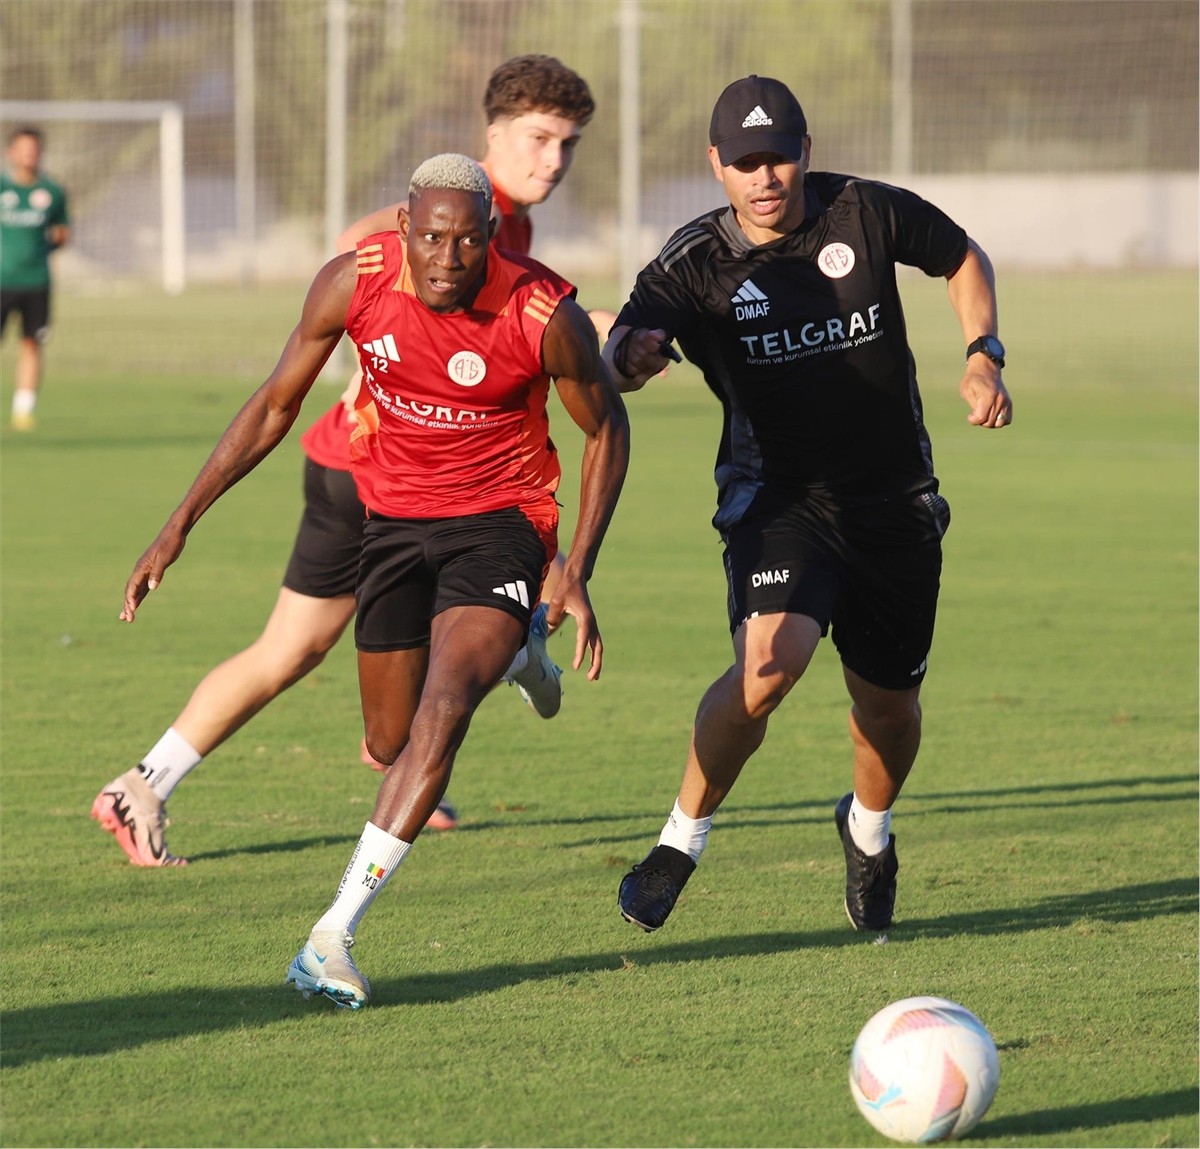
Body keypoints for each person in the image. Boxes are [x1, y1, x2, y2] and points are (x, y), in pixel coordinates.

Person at [118, 154, 629, 1010]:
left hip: (500, 523)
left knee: (445, 704)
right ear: (403, 226)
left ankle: (332, 934)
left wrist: (573, 564)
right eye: (431, 237)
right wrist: (179, 522)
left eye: (468, 242)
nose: (447, 259)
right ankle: (516, 652)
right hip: (389, 525)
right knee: (391, 740)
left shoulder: (544, 312)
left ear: (491, 239)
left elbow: (606, 429)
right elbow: (277, 404)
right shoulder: (352, 284)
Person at [91, 53, 598, 866]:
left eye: (568, 145)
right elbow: (362, 252)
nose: (554, 160)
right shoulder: (456, 210)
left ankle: (148, 782)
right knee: (364, 641)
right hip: (372, 475)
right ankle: (412, 743)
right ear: (495, 134)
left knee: (296, 649)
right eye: (540, 139)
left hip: (380, 471)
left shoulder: (510, 229)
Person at [605, 75, 1011, 937]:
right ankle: (680, 840)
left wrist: (982, 352)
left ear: (805, 154)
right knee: (767, 667)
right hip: (778, 500)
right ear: (716, 163)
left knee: (888, 707)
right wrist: (632, 354)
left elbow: (962, 254)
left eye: (779, 157)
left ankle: (868, 831)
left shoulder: (862, 213)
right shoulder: (695, 261)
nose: (764, 177)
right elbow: (625, 346)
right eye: (745, 161)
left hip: (894, 501)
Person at [1, 126, 70, 432]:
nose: (30, 154)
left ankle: (23, 411)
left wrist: (49, 245)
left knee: (32, 344)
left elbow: (61, 233)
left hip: (36, 282)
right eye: (23, 148)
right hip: (2, 280)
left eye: (35, 149)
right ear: (11, 152)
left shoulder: (52, 192)